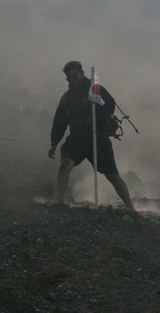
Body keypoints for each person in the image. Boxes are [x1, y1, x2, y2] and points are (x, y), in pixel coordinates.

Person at [48, 61, 135, 210]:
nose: (72, 81)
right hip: (76, 139)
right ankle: (59, 202)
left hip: (97, 137)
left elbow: (110, 106)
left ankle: (131, 208)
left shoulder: (95, 90)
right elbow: (60, 121)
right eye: (69, 79)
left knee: (112, 176)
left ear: (82, 74)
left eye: (75, 77)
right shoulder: (67, 98)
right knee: (65, 165)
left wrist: (97, 102)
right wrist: (54, 143)